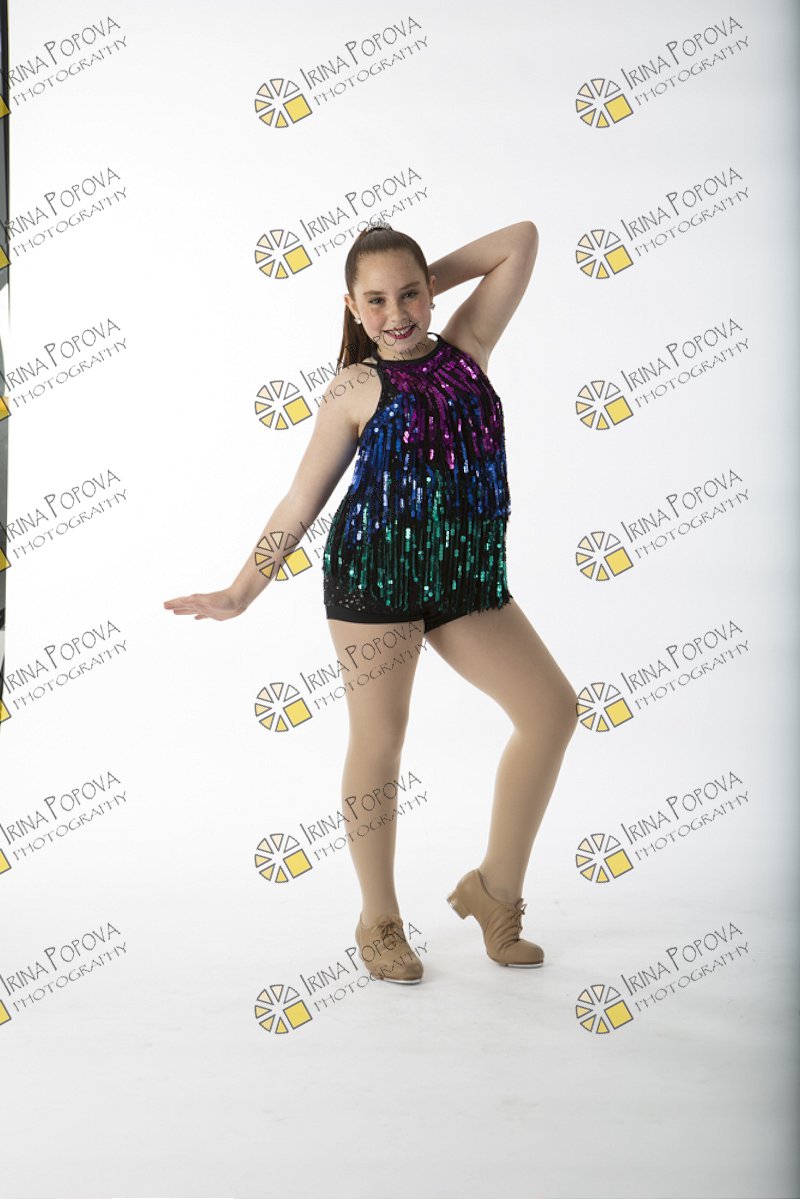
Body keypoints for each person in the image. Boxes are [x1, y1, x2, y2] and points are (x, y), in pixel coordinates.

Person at [164, 219, 579, 986]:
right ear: (351, 307)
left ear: (432, 290)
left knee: (551, 710)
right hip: (373, 577)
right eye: (376, 301)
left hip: (463, 577)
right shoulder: (354, 387)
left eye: (410, 294)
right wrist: (242, 589)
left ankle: (494, 891)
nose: (397, 314)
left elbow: (519, 240)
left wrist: (419, 284)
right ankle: (378, 918)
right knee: (382, 739)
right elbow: (300, 500)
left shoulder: (468, 347)